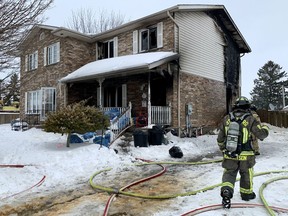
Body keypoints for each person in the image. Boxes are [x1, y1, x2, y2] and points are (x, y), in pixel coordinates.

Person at [217, 96, 269, 209]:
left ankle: (226, 190)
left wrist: (223, 150)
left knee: (229, 173)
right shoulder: (250, 119)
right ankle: (246, 194)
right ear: (247, 107)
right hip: (246, 156)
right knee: (246, 174)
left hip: (230, 154)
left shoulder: (227, 119)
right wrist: (265, 128)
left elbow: (220, 138)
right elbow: (261, 135)